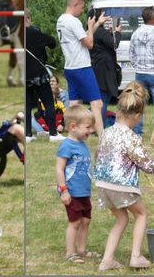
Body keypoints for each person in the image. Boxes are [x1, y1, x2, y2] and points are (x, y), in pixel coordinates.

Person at [94, 81, 154, 270]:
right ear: (137, 116)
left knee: (121, 219)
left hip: (103, 185)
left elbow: (98, 157)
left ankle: (107, 260)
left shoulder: (105, 133)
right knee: (141, 214)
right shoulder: (131, 138)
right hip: (122, 186)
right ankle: (136, 256)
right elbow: (148, 165)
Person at [56, 0, 108, 136]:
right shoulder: (73, 21)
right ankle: (102, 138)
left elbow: (81, 38)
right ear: (75, 4)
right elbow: (89, 43)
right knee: (97, 104)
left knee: (74, 106)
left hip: (70, 68)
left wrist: (96, 24)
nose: (82, 11)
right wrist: (91, 26)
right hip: (82, 67)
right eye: (81, 8)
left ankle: (71, 136)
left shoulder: (61, 20)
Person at [55, 104, 99, 264]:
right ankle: (70, 252)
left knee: (85, 220)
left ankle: (81, 249)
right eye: (88, 127)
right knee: (74, 223)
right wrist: (64, 190)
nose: (91, 130)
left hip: (84, 192)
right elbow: (59, 169)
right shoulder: (66, 146)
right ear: (73, 127)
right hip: (72, 192)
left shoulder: (82, 143)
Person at [129, 6, 154, 135]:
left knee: (139, 103)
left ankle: (137, 132)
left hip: (140, 73)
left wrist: (138, 66)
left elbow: (131, 54)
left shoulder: (136, 33)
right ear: (153, 18)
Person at [26, 9, 65, 142]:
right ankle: (53, 133)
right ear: (28, 19)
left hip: (25, 76)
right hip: (39, 75)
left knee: (27, 105)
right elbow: (52, 43)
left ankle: (27, 135)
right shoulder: (35, 33)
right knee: (48, 102)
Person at [88, 9, 122, 128]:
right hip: (103, 70)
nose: (105, 17)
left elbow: (106, 43)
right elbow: (114, 44)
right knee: (103, 100)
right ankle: (99, 126)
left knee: (99, 99)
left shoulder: (91, 31)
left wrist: (110, 34)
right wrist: (117, 33)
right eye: (102, 15)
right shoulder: (99, 32)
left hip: (97, 68)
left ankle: (97, 125)